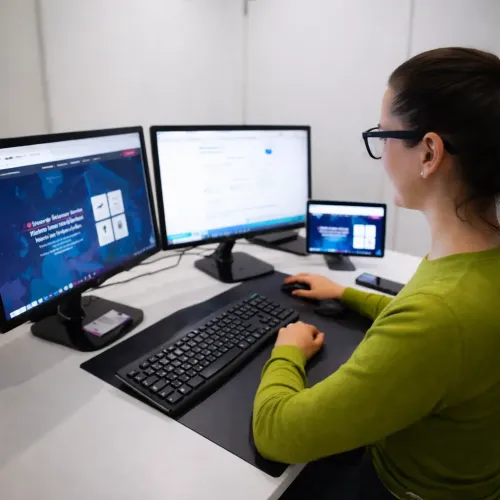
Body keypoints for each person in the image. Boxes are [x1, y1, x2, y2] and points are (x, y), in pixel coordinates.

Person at [253, 47, 500, 500]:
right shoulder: (477, 263)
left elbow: (275, 433)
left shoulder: (438, 317)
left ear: (429, 152)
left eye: (383, 134)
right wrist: (346, 293)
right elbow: (435, 325)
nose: (381, 151)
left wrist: (287, 352)